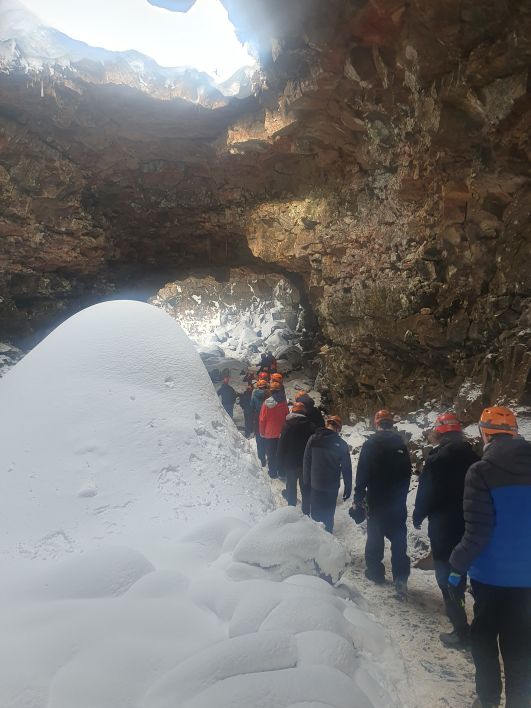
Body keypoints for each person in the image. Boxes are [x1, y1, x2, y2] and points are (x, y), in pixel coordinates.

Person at [449, 406, 531, 708]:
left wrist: (456, 567)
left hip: (490, 576)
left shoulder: (481, 471)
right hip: (527, 578)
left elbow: (477, 533)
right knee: (520, 644)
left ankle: (487, 700)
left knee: (483, 637)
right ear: (515, 433)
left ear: (485, 434)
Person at [413, 412, 480, 647]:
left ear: (439, 433)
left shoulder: (437, 459)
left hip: (444, 528)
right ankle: (482, 625)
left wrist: (418, 514)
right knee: (473, 575)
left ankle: (461, 629)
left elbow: (426, 492)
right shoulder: (474, 456)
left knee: (448, 576)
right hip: (472, 526)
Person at [353, 409, 411, 598]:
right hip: (397, 502)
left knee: (375, 538)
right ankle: (401, 578)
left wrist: (358, 497)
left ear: (376, 424)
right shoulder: (401, 444)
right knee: (399, 540)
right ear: (391, 424)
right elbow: (407, 473)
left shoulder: (371, 444)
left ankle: (375, 572)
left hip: (376, 500)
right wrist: (400, 495)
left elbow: (362, 473)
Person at [303, 415, 352, 533]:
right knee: (329, 515)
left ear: (326, 425)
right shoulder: (341, 444)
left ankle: (316, 538)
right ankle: (328, 536)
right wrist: (348, 486)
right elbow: (346, 468)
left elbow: (306, 461)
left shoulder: (313, 439)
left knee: (315, 515)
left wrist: (306, 481)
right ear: (338, 429)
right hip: (332, 486)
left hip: (316, 484)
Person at [277, 401, 316, 514]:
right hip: (305, 465)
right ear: (304, 412)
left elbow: (281, 447)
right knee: (305, 490)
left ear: (293, 411)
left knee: (291, 489)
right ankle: (306, 514)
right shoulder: (312, 427)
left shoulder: (286, 426)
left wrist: (279, 466)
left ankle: (291, 513)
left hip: (290, 465)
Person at [259, 381, 289, 479]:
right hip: (282, 432)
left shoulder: (266, 403)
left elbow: (262, 419)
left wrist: (262, 432)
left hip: (270, 432)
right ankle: (282, 472)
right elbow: (287, 416)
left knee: (271, 454)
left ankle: (272, 473)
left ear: (271, 391)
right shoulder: (284, 402)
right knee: (281, 453)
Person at [251, 379, 269, 466]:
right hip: (267, 417)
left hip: (257, 417)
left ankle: (261, 458)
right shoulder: (269, 394)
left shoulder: (254, 394)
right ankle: (268, 454)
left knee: (259, 437)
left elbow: (252, 406)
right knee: (267, 436)